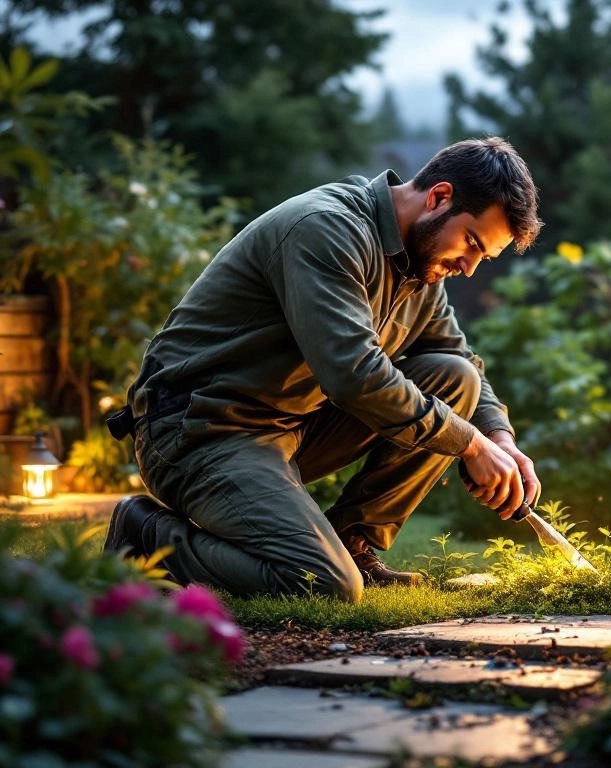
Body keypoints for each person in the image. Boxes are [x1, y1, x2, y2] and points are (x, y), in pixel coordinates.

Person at [103, 137, 543, 603]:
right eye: (471, 242)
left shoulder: (419, 266)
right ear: (439, 196)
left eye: (483, 257)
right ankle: (146, 536)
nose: (469, 268)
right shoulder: (327, 228)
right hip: (199, 427)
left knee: (457, 379)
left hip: (288, 426)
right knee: (324, 584)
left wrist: (499, 438)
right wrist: (469, 443)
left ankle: (354, 544)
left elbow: (459, 357)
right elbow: (355, 376)